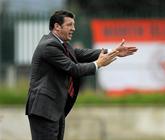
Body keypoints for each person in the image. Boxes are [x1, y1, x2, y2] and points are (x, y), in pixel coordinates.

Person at [25, 10, 137, 140]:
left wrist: (113, 51)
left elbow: (79, 54)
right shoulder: (49, 45)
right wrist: (98, 64)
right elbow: (73, 69)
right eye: (69, 25)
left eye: (74, 25)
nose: (73, 28)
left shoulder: (59, 44)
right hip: (44, 108)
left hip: (53, 108)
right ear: (57, 26)